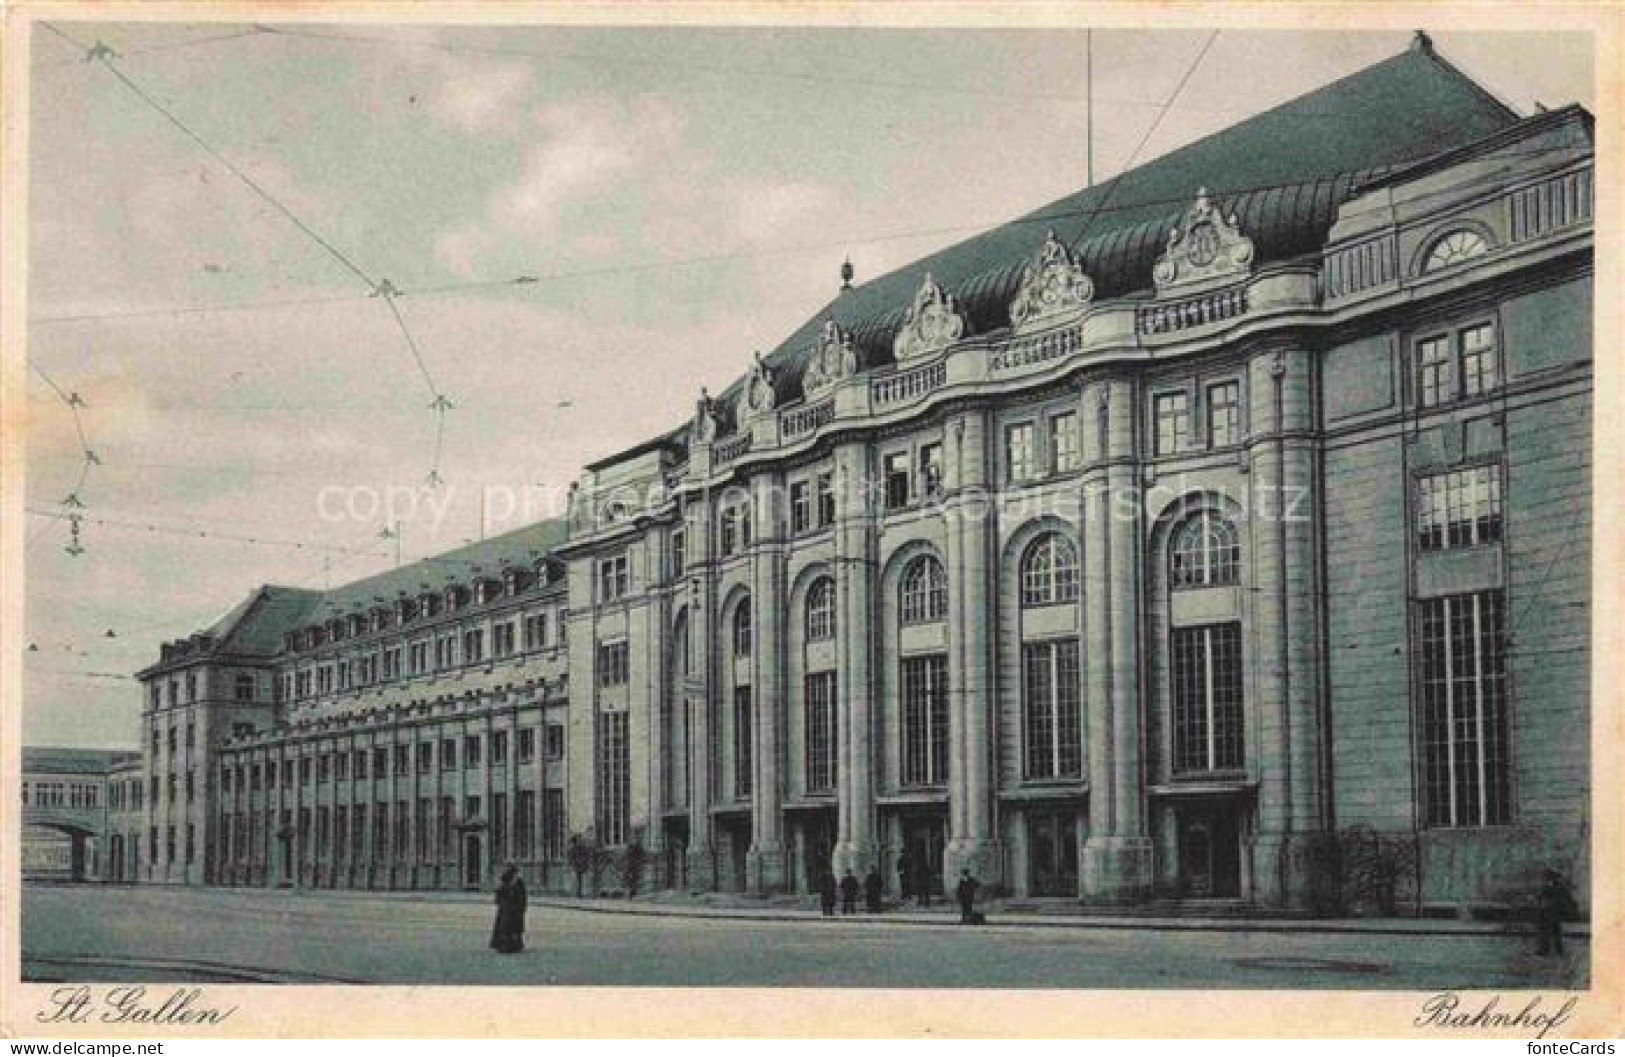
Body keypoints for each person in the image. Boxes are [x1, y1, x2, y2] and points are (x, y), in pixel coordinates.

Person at [1534, 868, 1578, 956]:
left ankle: (1546, 949)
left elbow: (1559, 900)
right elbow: (1541, 897)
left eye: (1547, 878)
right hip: (1557, 913)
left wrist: (1542, 899)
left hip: (1562, 912)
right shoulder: (1556, 886)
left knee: (1545, 922)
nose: (1546, 880)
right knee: (1550, 924)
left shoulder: (1557, 887)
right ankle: (1555, 949)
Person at [490, 863, 527, 954]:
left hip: (507, 909)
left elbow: (498, 896)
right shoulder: (514, 882)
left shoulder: (510, 882)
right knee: (511, 928)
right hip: (511, 909)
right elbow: (522, 896)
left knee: (507, 928)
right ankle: (509, 946)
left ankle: (507, 945)